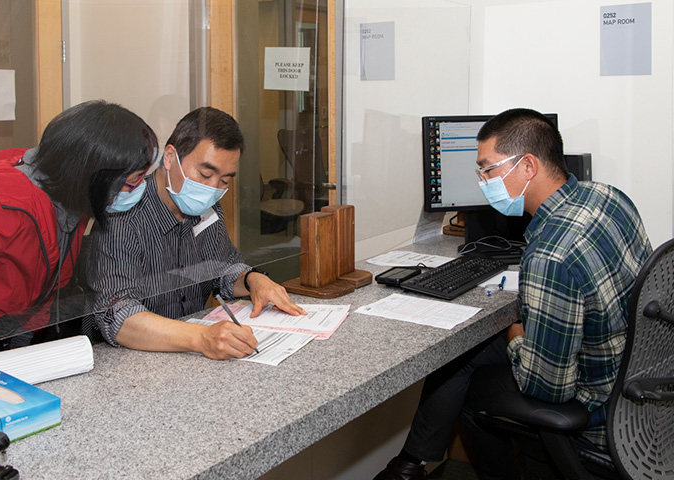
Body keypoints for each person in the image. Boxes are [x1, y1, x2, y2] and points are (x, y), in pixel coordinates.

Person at [374, 108, 652, 480]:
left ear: (528, 166)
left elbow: (549, 388)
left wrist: (514, 334)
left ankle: (423, 466)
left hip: (602, 410)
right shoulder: (610, 197)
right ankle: (410, 463)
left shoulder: (551, 255)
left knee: (475, 391)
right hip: (638, 380)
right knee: (466, 353)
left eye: (487, 169)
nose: (483, 180)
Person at [85, 106, 306, 359]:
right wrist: (200, 338)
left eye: (224, 181)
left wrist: (252, 279)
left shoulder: (207, 209)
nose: (212, 188)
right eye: (205, 173)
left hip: (191, 355)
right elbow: (117, 316)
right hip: (132, 360)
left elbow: (221, 268)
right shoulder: (122, 215)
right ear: (170, 158)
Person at [0, 100, 157, 336]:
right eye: (134, 180)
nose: (138, 188)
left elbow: (46, 279)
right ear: (97, 175)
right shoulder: (10, 210)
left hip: (10, 333)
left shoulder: (71, 194)